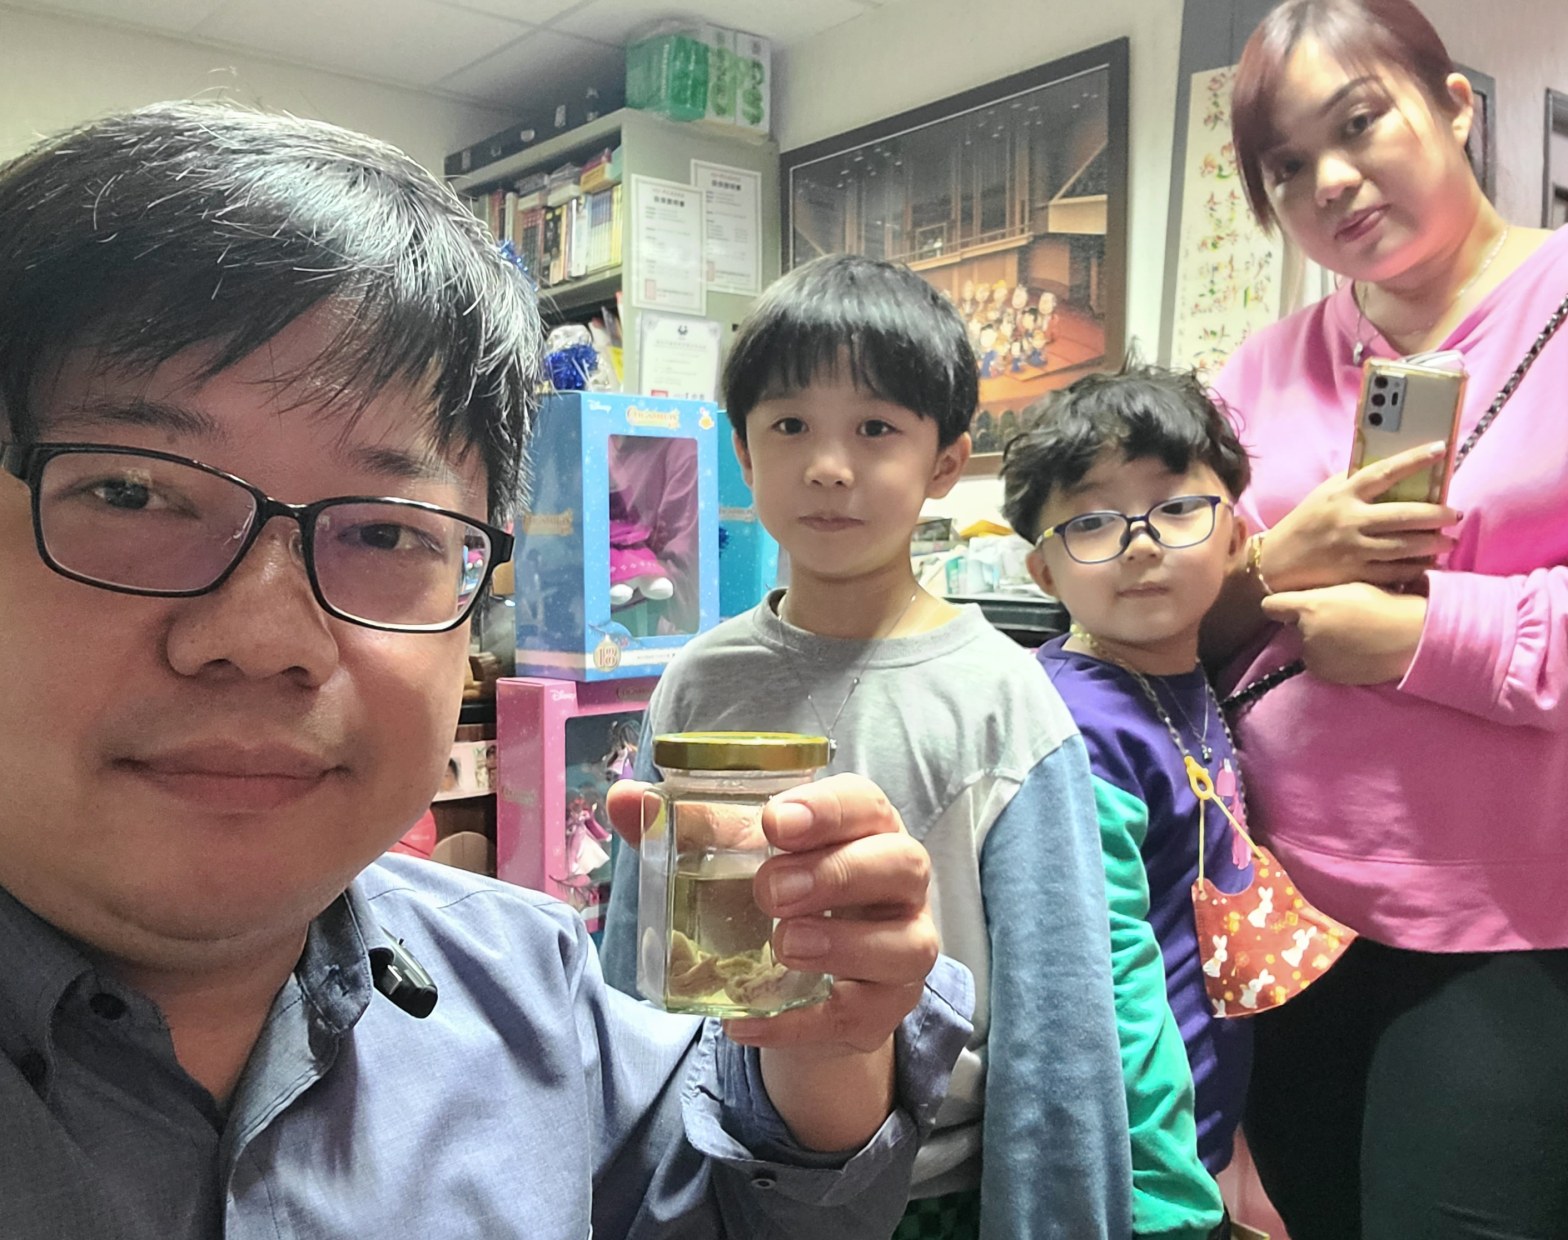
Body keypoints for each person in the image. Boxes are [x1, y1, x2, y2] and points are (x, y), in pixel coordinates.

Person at [0, 101, 977, 1239]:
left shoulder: (527, 985)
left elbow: (739, 1205)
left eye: (385, 531)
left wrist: (827, 1044)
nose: (263, 636)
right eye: (130, 493)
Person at [601, 254, 1133, 1240]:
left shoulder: (1003, 699)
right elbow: (635, 968)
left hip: (933, 1192)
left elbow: (1060, 1033)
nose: (828, 465)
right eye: (790, 425)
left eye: (876, 428)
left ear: (944, 463)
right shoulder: (697, 682)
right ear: (743, 452)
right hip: (724, 1169)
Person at [1205, 1, 1568, 1235]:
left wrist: (1422, 637)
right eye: (1285, 167)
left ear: (1453, 104)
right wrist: (1271, 564)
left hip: (1512, 929)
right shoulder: (1258, 370)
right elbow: (1161, 625)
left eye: (1358, 124)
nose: (1329, 181)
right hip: (1285, 919)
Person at [1001, 365, 1253, 1240]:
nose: (1140, 544)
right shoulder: (1075, 723)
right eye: (1093, 522)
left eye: (1176, 508)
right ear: (1043, 570)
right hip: (1133, 1172)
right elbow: (1098, 977)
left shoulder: (1189, 678)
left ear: (1236, 536)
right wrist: (1164, 1194)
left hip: (1195, 1136)